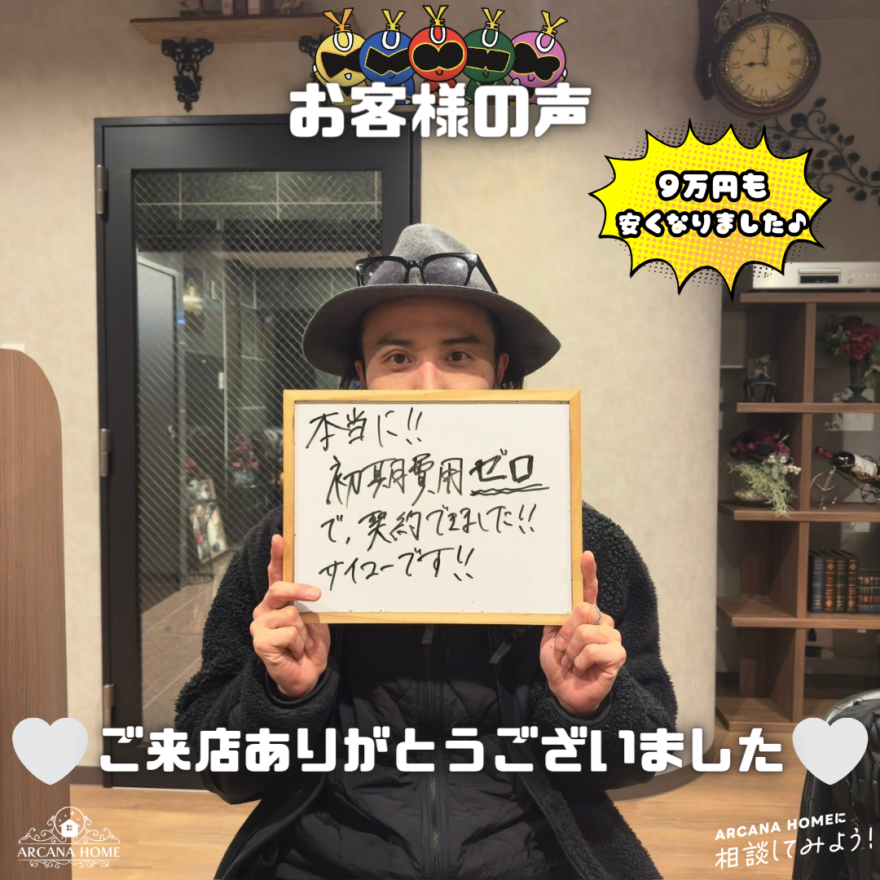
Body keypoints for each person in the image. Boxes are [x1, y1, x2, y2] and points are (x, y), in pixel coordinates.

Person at [175, 224, 677, 880]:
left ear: (500, 372)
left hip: (534, 858)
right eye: (397, 357)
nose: (428, 385)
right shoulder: (287, 549)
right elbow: (215, 763)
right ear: (361, 376)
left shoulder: (585, 547)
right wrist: (280, 695)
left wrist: (588, 708)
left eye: (459, 355)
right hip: (320, 858)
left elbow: (643, 753)